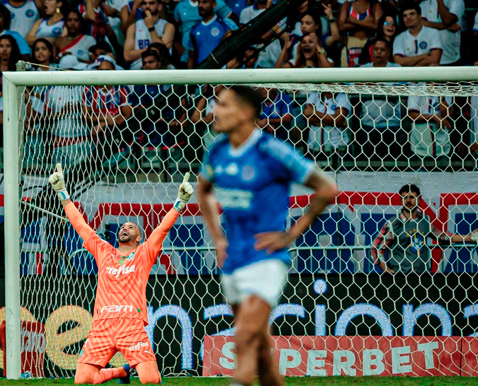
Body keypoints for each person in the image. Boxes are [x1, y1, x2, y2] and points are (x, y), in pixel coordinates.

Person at [196, 85, 338, 386]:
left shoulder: (273, 151)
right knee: (260, 350)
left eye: (222, 105)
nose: (214, 111)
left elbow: (327, 189)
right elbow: (203, 190)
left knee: (243, 340)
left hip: (266, 259)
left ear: (246, 113)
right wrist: (218, 238)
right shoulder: (217, 150)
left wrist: (291, 234)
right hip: (233, 259)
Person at [48, 162, 194, 384]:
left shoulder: (145, 252)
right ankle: (120, 372)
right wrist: (62, 193)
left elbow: (162, 230)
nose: (125, 228)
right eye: (123, 226)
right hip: (102, 324)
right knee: (83, 380)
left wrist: (180, 203)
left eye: (131, 227)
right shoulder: (103, 250)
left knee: (150, 380)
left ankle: (127, 371)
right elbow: (80, 225)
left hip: (131, 324)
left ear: (138, 239)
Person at [372, 183, 477, 274]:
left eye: (412, 197)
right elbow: (376, 247)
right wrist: (385, 268)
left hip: (423, 276)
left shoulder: (424, 221)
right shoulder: (393, 224)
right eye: (405, 197)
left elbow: (443, 237)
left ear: (419, 199)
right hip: (400, 276)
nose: (408, 200)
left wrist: (469, 238)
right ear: (401, 200)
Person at [358, 38, 403, 159]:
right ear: (371, 52)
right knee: (368, 168)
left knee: (392, 167)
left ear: (388, 52)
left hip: (391, 126)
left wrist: (372, 86)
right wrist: (385, 87)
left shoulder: (396, 69)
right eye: (376, 49)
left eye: (382, 50)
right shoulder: (363, 70)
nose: (379, 52)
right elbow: (353, 87)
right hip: (368, 126)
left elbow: (402, 88)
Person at [123, 0, 174, 70]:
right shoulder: (133, 27)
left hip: (161, 68)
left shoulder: (168, 26)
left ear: (159, 6)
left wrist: (151, 28)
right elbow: (127, 56)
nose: (147, 6)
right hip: (138, 68)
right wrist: (152, 51)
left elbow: (163, 52)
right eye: (144, 3)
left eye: (151, 3)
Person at [407, 82, 453, 159]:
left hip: (442, 147)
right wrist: (433, 117)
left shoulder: (445, 88)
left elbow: (446, 113)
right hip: (419, 147)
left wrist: (439, 94)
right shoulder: (417, 86)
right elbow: (412, 115)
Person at [188, 0, 237, 69]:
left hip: (220, 73)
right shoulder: (194, 29)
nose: (200, 5)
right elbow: (191, 58)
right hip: (201, 73)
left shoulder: (225, 24)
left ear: (214, 4)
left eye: (204, 2)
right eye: (199, 2)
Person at [393, 2, 442, 66]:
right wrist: (423, 56)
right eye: (405, 16)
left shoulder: (433, 33)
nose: (408, 17)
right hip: (407, 75)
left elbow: (434, 59)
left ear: (420, 16)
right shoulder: (399, 38)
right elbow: (398, 61)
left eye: (412, 14)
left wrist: (415, 68)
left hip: (428, 73)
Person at [337, 0, 382, 67]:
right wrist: (365, 22)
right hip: (351, 42)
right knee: (348, 73)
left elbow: (378, 26)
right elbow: (341, 26)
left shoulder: (375, 5)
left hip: (369, 42)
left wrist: (353, 21)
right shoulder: (347, 5)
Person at [420, 0, 464, 66]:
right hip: (430, 55)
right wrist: (446, 26)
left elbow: (447, 20)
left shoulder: (457, 1)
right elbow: (421, 24)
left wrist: (439, 1)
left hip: (450, 56)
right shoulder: (424, 4)